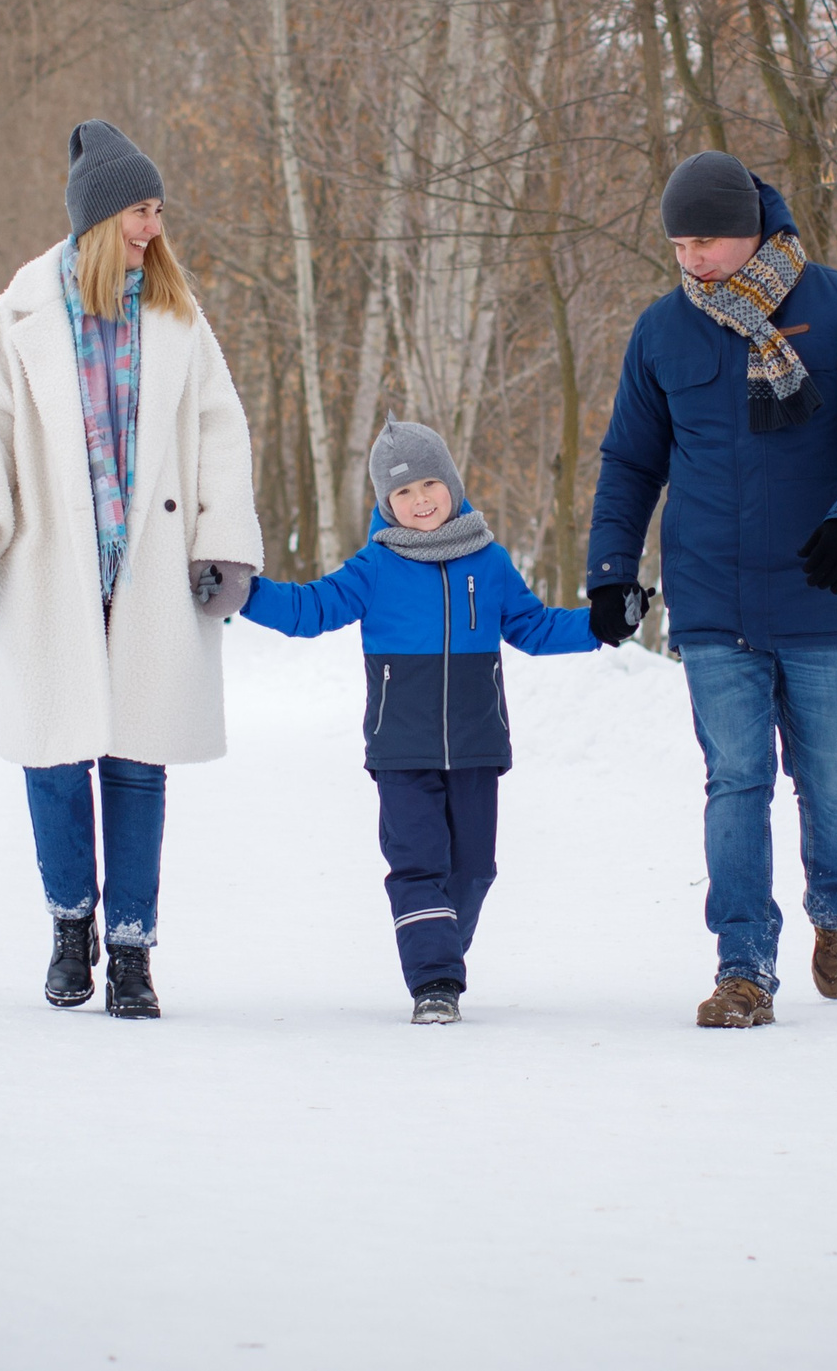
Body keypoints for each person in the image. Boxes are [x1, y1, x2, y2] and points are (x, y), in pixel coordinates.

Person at [584, 151, 837, 1029]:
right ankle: (744, 965)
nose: (690, 258)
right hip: (712, 602)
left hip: (821, 588)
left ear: (753, 231)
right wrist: (613, 570)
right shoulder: (663, 330)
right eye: (678, 244)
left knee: (834, 779)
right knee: (736, 778)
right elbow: (630, 461)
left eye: (704, 240)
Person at [0, 119, 262, 1020]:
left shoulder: (177, 312)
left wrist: (223, 539)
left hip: (149, 568)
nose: (155, 227)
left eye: (157, 210)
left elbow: (217, 430)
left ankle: (132, 950)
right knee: (52, 755)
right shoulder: (22, 314)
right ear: (97, 220)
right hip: (53, 564)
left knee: (138, 760)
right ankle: (71, 925)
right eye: (141, 211)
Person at [237, 420, 611, 1024]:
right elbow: (311, 608)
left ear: (452, 483)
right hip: (401, 748)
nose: (420, 501)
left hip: (475, 744)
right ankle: (434, 979)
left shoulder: (488, 561)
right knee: (418, 865)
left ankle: (438, 949)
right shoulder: (375, 565)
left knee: (474, 869)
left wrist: (601, 625)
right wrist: (246, 594)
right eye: (403, 493)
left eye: (430, 483)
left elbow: (535, 628)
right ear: (386, 502)